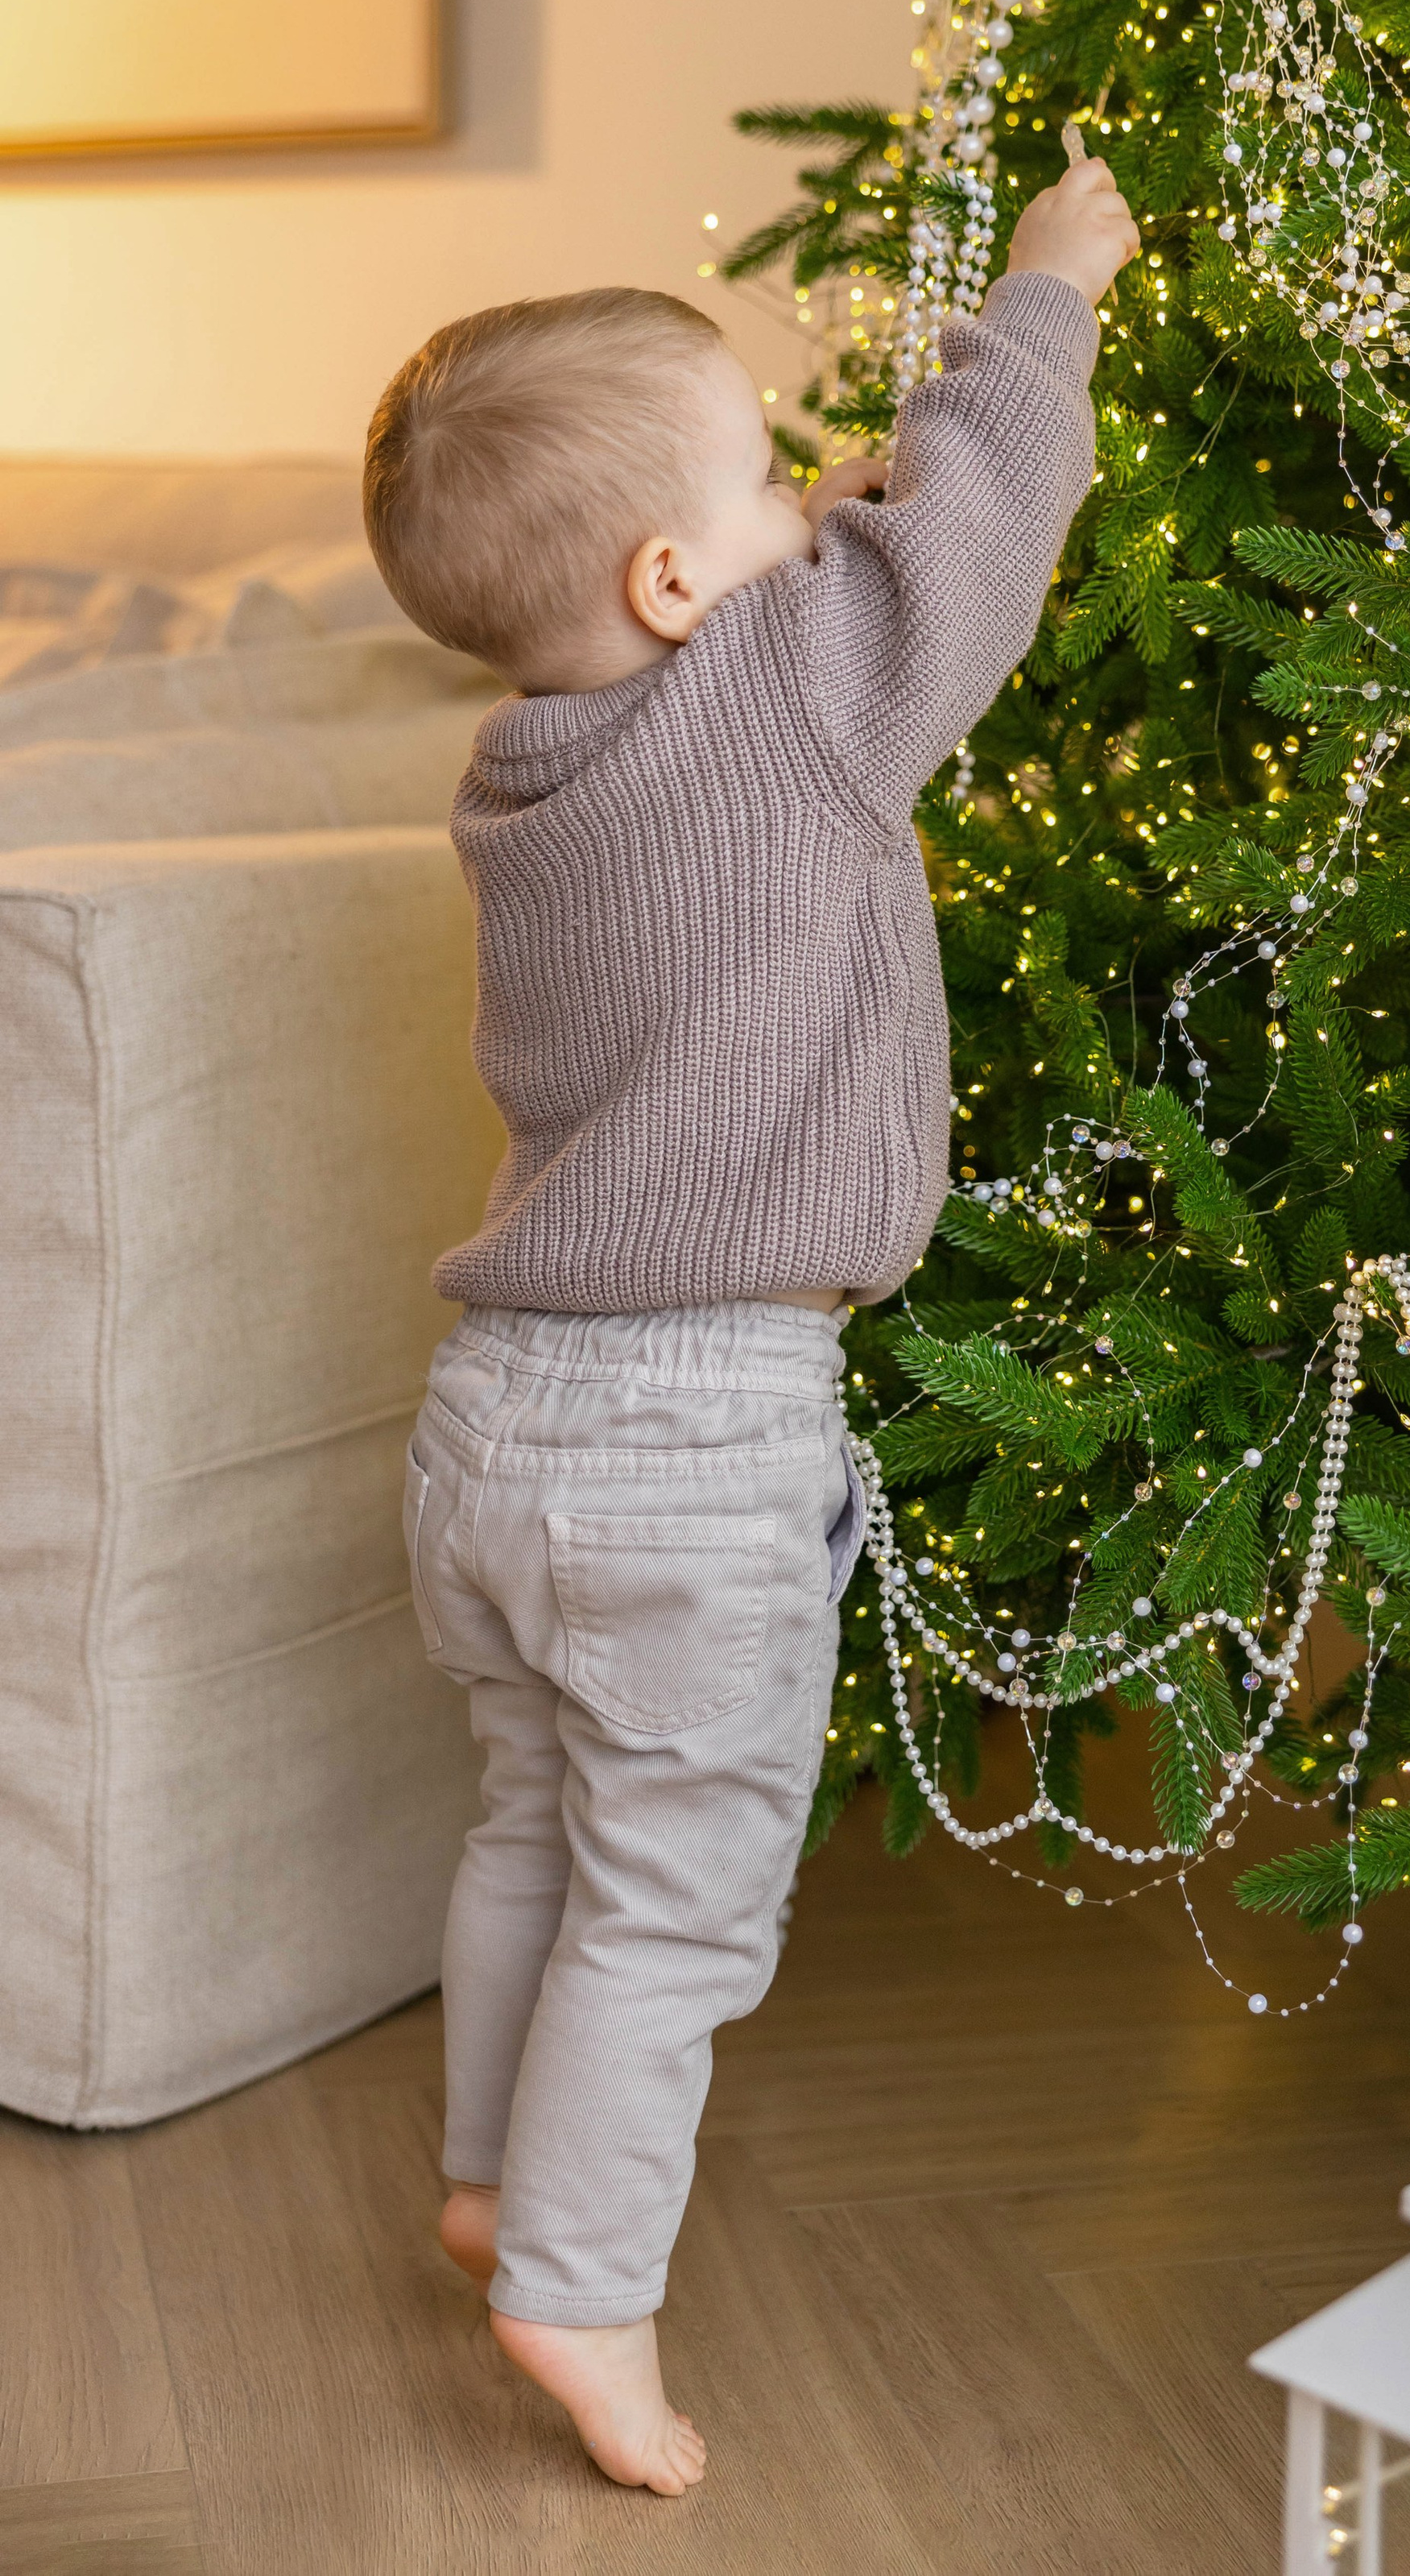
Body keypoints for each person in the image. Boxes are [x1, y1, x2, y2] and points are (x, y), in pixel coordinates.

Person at [361, 155, 1137, 2495]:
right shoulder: (796, 708)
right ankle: (583, 2293)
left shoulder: (530, 764)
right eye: (769, 488)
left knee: (532, 1826)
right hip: (693, 1437)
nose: (825, 503)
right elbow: (981, 531)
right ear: (676, 581)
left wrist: (811, 521)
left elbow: (817, 570)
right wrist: (1053, 283)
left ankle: (491, 2172)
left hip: (492, 1419)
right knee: (676, 1909)